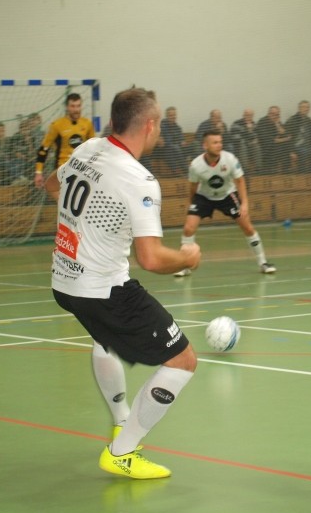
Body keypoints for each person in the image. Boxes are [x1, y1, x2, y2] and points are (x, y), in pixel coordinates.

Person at [45, 87, 202, 479]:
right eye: (158, 124)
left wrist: (83, 228)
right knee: (182, 360)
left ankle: (120, 419)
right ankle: (122, 451)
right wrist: (187, 258)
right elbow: (151, 259)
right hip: (104, 288)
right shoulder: (138, 179)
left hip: (64, 281)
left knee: (105, 339)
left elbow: (52, 185)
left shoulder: (87, 149)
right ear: (149, 125)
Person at [174, 131, 276, 277]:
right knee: (188, 228)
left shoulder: (230, 159)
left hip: (227, 195)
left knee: (247, 227)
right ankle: (185, 265)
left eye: (220, 142)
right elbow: (192, 187)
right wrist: (190, 205)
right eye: (215, 142)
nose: (219, 145)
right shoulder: (196, 165)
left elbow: (240, 181)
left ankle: (263, 263)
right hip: (204, 196)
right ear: (205, 145)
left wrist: (245, 204)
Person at [34, 93, 95, 188]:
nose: (76, 109)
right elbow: (44, 149)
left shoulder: (87, 124)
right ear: (67, 107)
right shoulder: (57, 125)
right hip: (62, 170)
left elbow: (94, 147)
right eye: (73, 106)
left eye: (78, 106)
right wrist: (38, 172)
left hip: (82, 170)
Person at [285, 100, 311, 173]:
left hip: (308, 146)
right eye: (304, 107)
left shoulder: (310, 121)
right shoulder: (292, 120)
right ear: (299, 108)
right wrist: (291, 151)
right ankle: (302, 174)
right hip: (296, 146)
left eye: (308, 107)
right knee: (304, 152)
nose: (306, 109)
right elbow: (287, 137)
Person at [256, 106, 291, 174]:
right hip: (264, 146)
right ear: (268, 114)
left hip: (276, 145)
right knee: (277, 147)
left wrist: (277, 124)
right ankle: (271, 170)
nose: (274, 116)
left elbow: (286, 134)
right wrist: (284, 139)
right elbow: (269, 139)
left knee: (285, 146)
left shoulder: (277, 122)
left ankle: (286, 170)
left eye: (277, 115)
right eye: (272, 114)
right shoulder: (262, 121)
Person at [159, 106, 190, 175]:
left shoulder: (178, 127)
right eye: (171, 115)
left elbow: (181, 138)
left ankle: (182, 170)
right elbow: (166, 141)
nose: (173, 117)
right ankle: (185, 169)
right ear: (167, 116)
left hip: (175, 148)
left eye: (174, 115)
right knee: (174, 148)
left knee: (188, 147)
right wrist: (178, 142)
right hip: (164, 149)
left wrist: (183, 142)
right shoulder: (162, 126)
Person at [230, 109, 261, 174]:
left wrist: (254, 139)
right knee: (243, 143)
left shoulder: (254, 124)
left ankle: (258, 168)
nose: (248, 117)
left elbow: (256, 136)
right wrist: (249, 130)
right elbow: (236, 137)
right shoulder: (237, 123)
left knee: (256, 145)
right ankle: (245, 169)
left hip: (250, 145)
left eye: (250, 115)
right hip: (238, 145)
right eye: (247, 115)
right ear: (243, 115)